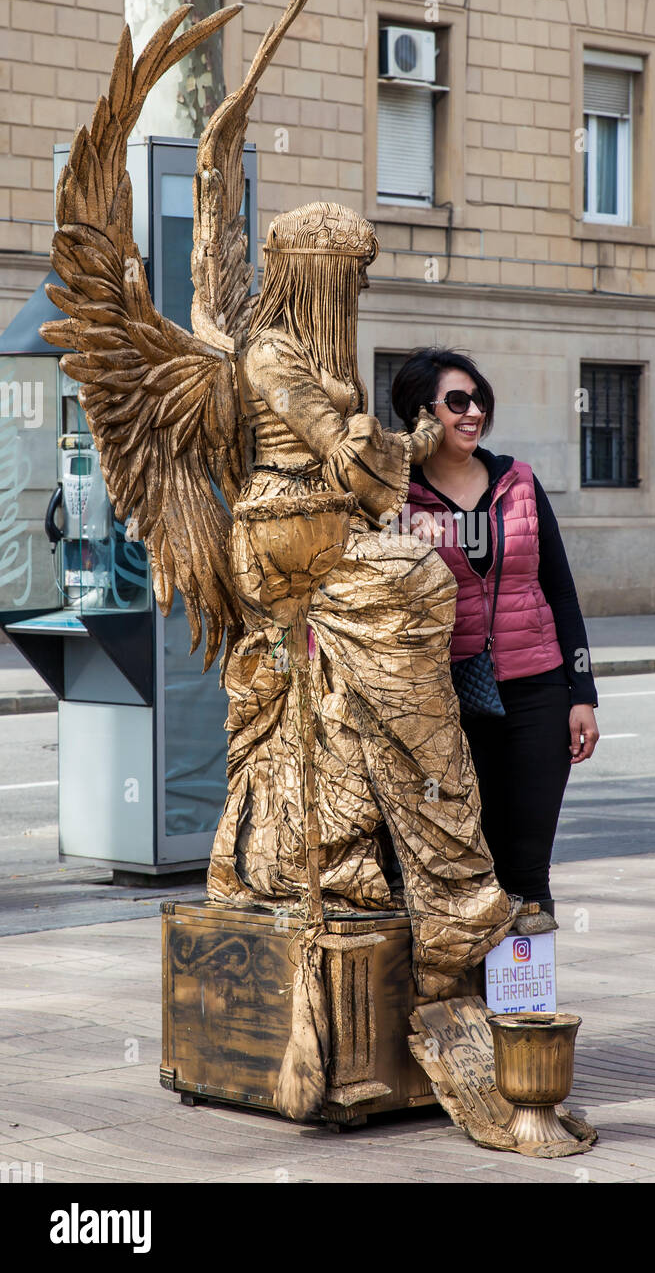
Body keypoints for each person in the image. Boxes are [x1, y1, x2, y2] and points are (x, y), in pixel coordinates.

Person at [208, 207, 517, 997]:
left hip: (325, 535)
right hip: (286, 546)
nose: (360, 288)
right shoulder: (271, 351)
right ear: (315, 270)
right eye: (351, 275)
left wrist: (402, 446)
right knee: (417, 579)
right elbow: (339, 448)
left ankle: (366, 857)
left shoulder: (311, 350)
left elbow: (363, 459)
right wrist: (388, 450)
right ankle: (449, 883)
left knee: (356, 707)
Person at [395, 348, 600, 935]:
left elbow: (560, 591)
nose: (472, 412)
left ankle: (525, 1013)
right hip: (446, 702)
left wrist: (581, 693)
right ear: (422, 412)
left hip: (537, 688)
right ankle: (472, 1009)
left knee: (529, 871)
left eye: (478, 399)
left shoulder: (519, 483)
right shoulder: (399, 501)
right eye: (456, 401)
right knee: (469, 865)